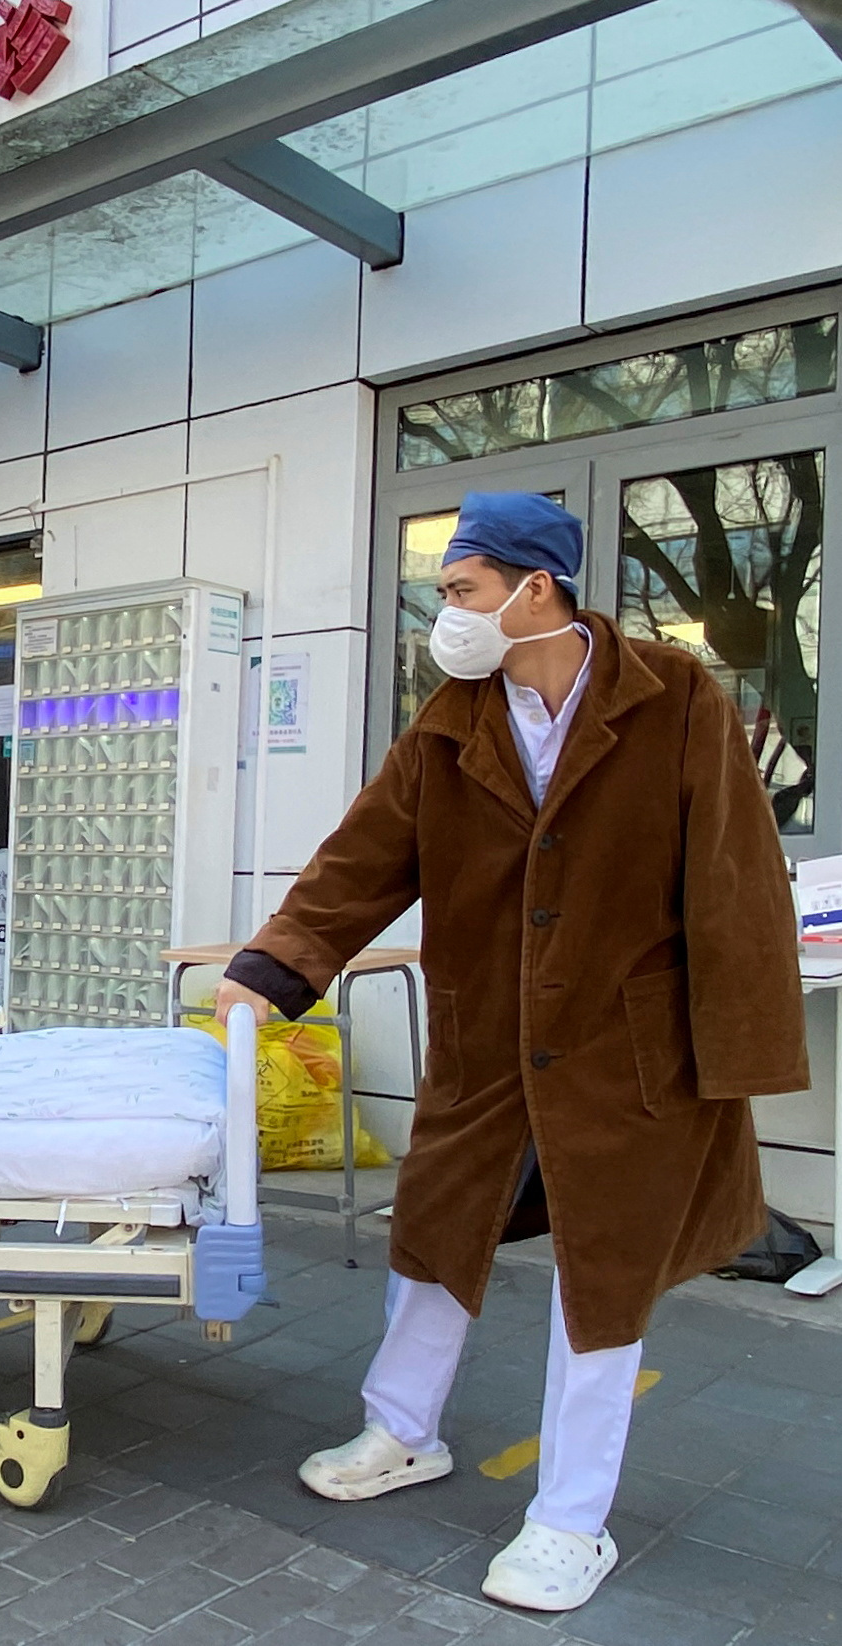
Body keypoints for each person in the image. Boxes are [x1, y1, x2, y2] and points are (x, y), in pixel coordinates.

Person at [213, 492, 806, 1612]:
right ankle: (401, 1430)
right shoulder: (452, 718)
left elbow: (734, 874)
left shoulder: (674, 697)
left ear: (537, 587)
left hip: (632, 1048)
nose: (447, 612)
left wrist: (733, 1055)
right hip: (488, 1036)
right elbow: (366, 855)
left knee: (605, 1282)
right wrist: (273, 967)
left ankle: (571, 1519)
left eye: (462, 588)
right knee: (434, 1230)